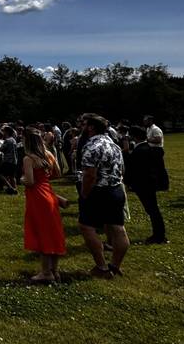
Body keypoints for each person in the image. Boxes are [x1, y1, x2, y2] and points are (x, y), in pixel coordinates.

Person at [78, 114, 129, 279]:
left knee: (87, 226)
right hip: (116, 189)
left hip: (98, 191)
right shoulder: (114, 145)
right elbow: (122, 170)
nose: (81, 127)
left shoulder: (91, 146)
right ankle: (115, 266)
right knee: (118, 228)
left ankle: (101, 266)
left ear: (91, 127)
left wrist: (85, 194)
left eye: (84, 124)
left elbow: (90, 176)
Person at [21, 129, 66, 283]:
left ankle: (46, 272)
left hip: (37, 197)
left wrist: (22, 179)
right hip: (49, 193)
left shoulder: (28, 159)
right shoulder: (48, 155)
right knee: (53, 231)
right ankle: (54, 270)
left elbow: (30, 181)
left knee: (42, 232)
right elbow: (58, 173)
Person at [125, 126, 168, 243]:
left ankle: (159, 235)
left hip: (143, 184)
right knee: (153, 209)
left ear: (134, 137)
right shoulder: (148, 148)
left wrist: (129, 183)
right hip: (149, 183)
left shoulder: (139, 151)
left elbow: (134, 170)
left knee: (152, 210)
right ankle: (159, 234)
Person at [0, 127, 19, 195]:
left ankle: (11, 188)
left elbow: (1, 149)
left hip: (8, 160)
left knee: (0, 174)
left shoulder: (7, 140)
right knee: (12, 176)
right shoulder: (13, 140)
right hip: (14, 160)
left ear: (7, 132)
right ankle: (15, 189)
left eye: (4, 131)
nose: (3, 133)